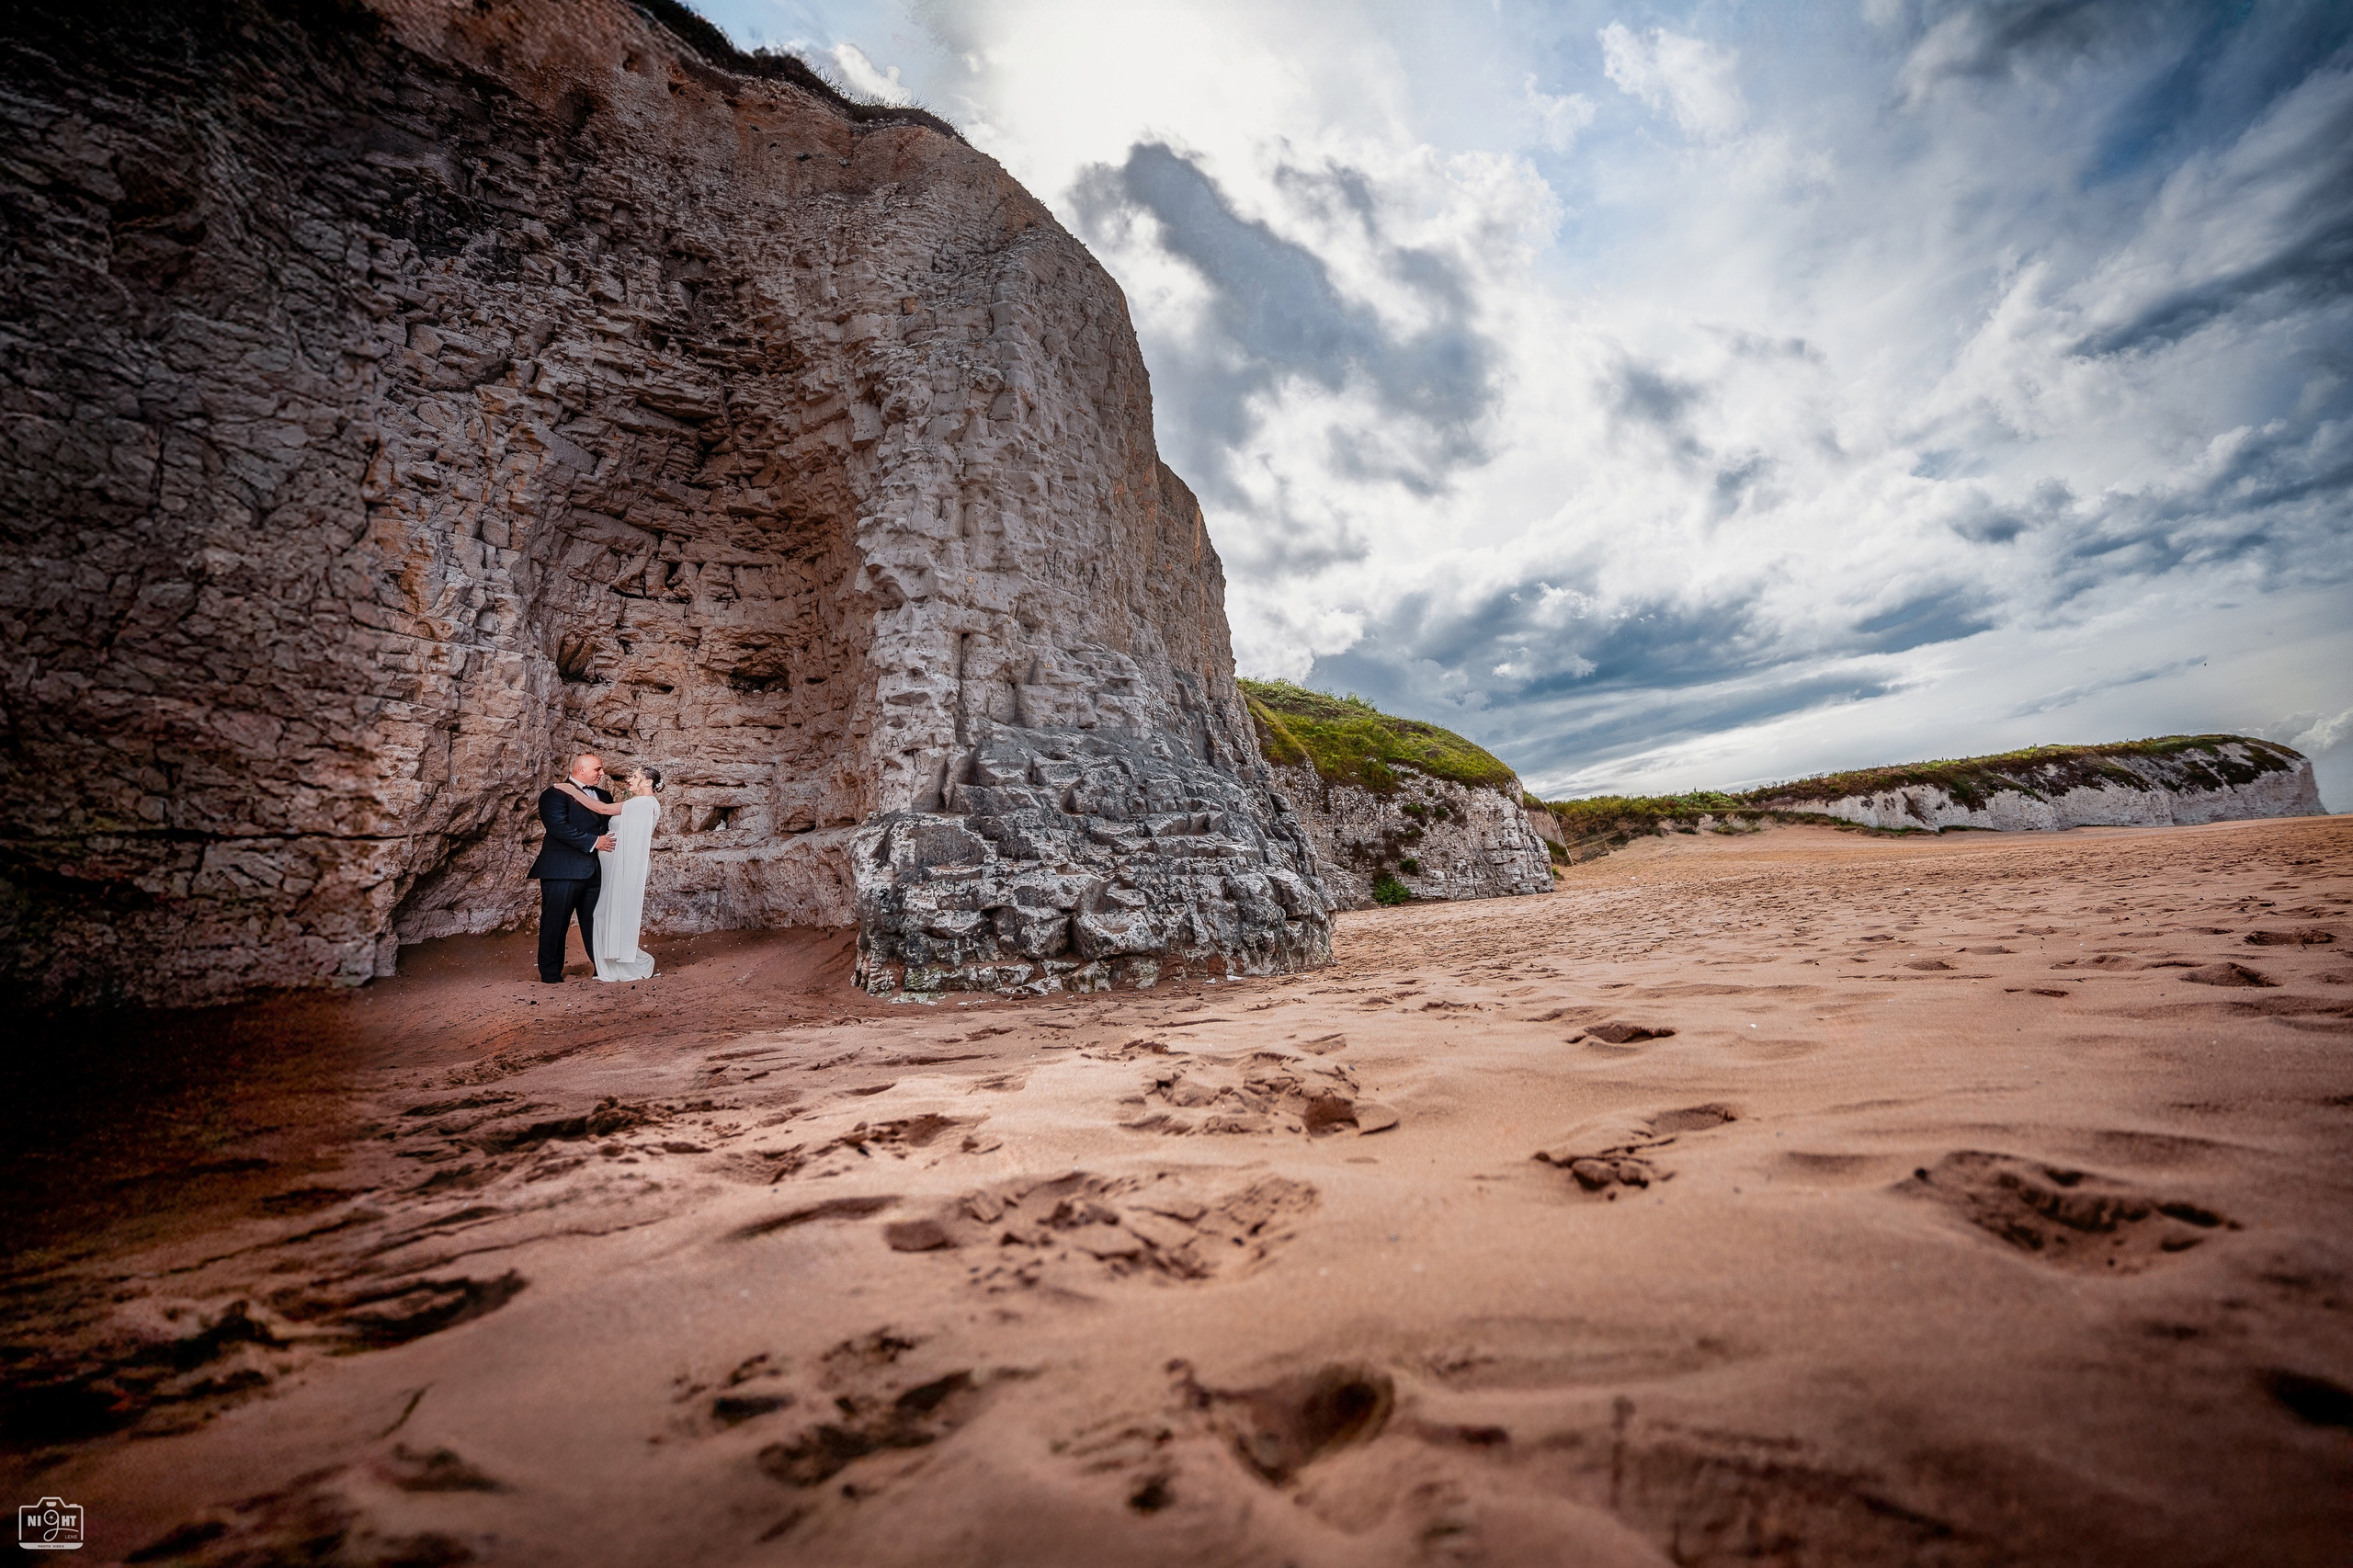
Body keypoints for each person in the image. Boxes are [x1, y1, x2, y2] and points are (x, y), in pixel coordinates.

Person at [554, 765, 664, 982]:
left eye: (635, 776)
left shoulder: (643, 802)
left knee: (614, 913)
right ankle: (613, 963)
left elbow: (603, 810)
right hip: (615, 865)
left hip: (626, 866)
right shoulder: (639, 803)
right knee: (604, 914)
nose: (629, 779)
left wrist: (572, 791)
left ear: (649, 782)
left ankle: (628, 963)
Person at [528, 753, 616, 983]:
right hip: (561, 870)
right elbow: (558, 827)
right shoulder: (554, 794)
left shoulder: (605, 796)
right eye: (598, 769)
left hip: (595, 870)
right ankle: (550, 973)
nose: (602, 773)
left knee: (596, 923)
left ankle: (603, 968)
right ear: (581, 769)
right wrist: (594, 842)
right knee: (555, 922)